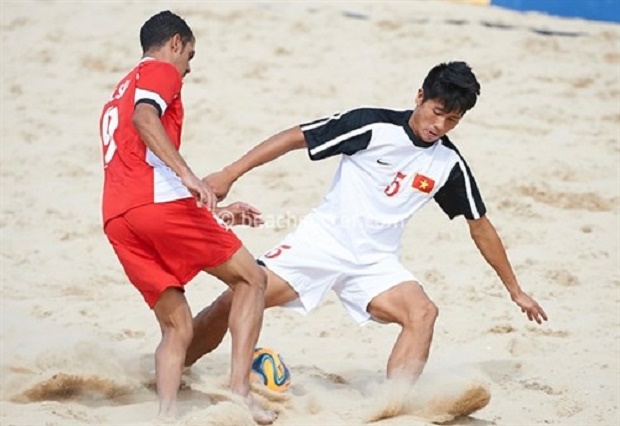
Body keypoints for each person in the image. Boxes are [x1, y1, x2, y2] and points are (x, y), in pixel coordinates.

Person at [183, 61, 548, 383]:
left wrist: (515, 290)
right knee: (232, 303)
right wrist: (231, 172)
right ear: (420, 96)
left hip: (375, 263)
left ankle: (395, 404)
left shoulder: (448, 164)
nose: (440, 125)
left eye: (452, 120)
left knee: (423, 313)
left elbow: (479, 226)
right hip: (320, 244)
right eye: (437, 112)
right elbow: (298, 137)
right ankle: (172, 365)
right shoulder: (372, 125)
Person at [98, 11, 275, 424]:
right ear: (175, 42)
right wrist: (190, 175)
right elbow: (146, 121)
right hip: (155, 206)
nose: (189, 67)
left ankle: (165, 415)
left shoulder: (118, 90)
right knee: (252, 278)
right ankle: (239, 392)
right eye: (189, 55)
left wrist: (218, 210)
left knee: (178, 326)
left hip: (117, 217)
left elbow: (140, 165)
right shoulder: (160, 70)